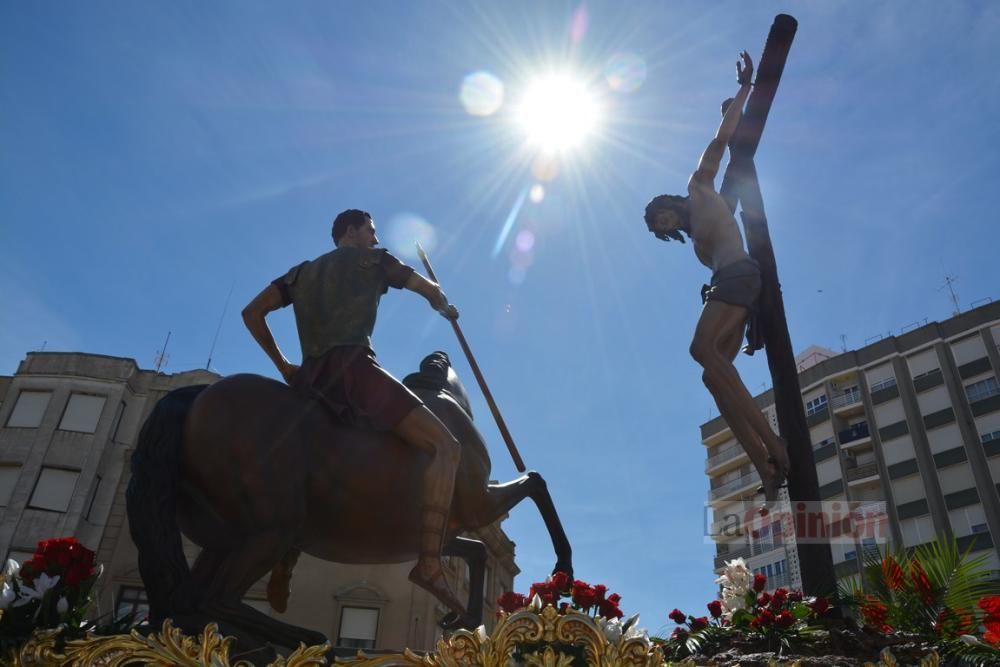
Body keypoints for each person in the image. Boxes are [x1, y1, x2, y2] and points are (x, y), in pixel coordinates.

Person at [241, 208, 466, 613]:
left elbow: (251, 313)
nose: (375, 239)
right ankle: (430, 564)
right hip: (357, 374)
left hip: (311, 382)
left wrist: (284, 366)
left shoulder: (300, 274)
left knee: (308, 466)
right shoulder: (374, 261)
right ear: (351, 231)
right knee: (446, 447)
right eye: (371, 231)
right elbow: (425, 288)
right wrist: (443, 302)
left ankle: (285, 559)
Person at [643, 52, 789, 502]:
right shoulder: (697, 245)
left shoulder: (701, 188)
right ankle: (765, 464)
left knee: (700, 349)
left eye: (661, 216)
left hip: (740, 276)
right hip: (728, 288)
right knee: (712, 374)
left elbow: (721, 141)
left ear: (669, 202)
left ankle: (776, 444)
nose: (665, 224)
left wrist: (742, 92)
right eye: (660, 228)